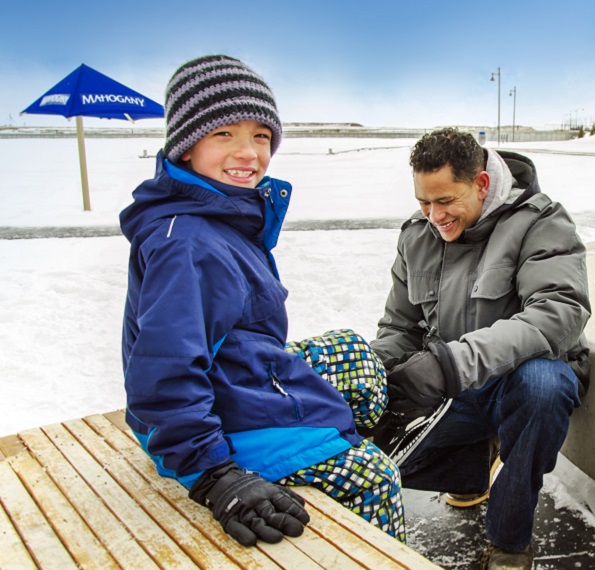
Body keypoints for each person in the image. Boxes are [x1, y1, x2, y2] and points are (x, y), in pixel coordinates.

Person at [120, 55, 404, 547]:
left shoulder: (219, 210)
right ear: (187, 145)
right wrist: (215, 477)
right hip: (201, 427)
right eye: (224, 134)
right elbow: (163, 373)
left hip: (235, 374)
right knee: (376, 477)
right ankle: (327, 476)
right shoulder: (188, 242)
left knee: (358, 358)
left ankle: (318, 453)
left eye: (260, 136)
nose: (249, 152)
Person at [370, 128, 590, 569]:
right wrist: (369, 369)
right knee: (367, 449)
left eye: (446, 201)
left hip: (519, 382)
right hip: (454, 387)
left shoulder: (541, 221)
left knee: (544, 387)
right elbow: (400, 326)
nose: (434, 215)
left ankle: (510, 540)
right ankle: (470, 466)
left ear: (481, 184)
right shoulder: (417, 234)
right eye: (423, 202)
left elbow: (559, 311)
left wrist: (452, 363)